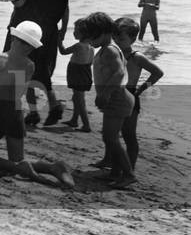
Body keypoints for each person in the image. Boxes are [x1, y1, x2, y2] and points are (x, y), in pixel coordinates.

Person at [0, 21, 75, 189]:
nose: (27, 48)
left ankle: (22, 167)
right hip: (12, 113)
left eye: (29, 45)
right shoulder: (26, 64)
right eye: (25, 44)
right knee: (17, 159)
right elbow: (15, 93)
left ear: (13, 39)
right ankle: (52, 167)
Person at [5, 0, 69, 127]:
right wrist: (63, 30)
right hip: (48, 29)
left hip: (25, 27)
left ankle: (29, 110)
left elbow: (18, 1)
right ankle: (49, 106)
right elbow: (65, 6)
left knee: (18, 68)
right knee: (40, 70)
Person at [100, 17, 164, 175]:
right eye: (114, 38)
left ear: (133, 39)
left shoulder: (136, 57)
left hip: (130, 96)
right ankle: (114, 169)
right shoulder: (112, 53)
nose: (116, 41)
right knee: (112, 135)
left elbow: (157, 73)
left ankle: (130, 170)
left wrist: (141, 89)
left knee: (129, 135)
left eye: (121, 39)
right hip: (113, 96)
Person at [84, 12, 136, 189]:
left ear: (105, 33)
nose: (89, 40)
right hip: (113, 99)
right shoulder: (105, 49)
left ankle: (128, 174)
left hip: (118, 99)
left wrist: (104, 93)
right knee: (108, 137)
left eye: (92, 36)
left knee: (111, 138)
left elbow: (119, 72)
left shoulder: (110, 50)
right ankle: (114, 172)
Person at [58, 17, 94, 132]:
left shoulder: (79, 46)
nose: (74, 32)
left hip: (77, 73)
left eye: (76, 30)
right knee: (77, 97)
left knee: (79, 100)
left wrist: (59, 41)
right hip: (86, 73)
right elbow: (91, 62)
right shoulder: (91, 47)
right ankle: (74, 120)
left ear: (83, 33)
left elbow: (63, 52)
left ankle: (86, 125)